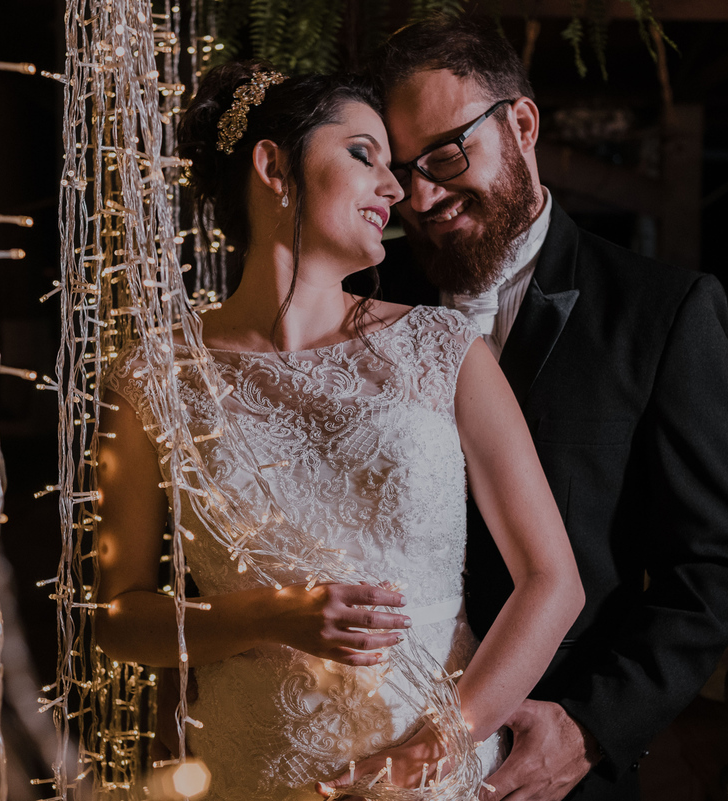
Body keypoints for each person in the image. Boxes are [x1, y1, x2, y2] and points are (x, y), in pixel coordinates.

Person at [93, 61, 583, 800]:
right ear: (273, 166)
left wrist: (422, 758)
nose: (396, 189)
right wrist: (271, 614)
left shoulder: (443, 349)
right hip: (246, 770)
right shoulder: (152, 378)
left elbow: (554, 582)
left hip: (430, 777)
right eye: (364, 155)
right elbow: (118, 615)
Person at [364, 17, 728, 801]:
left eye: (445, 154)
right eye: (403, 169)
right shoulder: (362, 298)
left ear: (522, 123)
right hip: (378, 742)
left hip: (551, 763)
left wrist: (590, 729)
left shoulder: (662, 313)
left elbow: (713, 569)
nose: (423, 194)